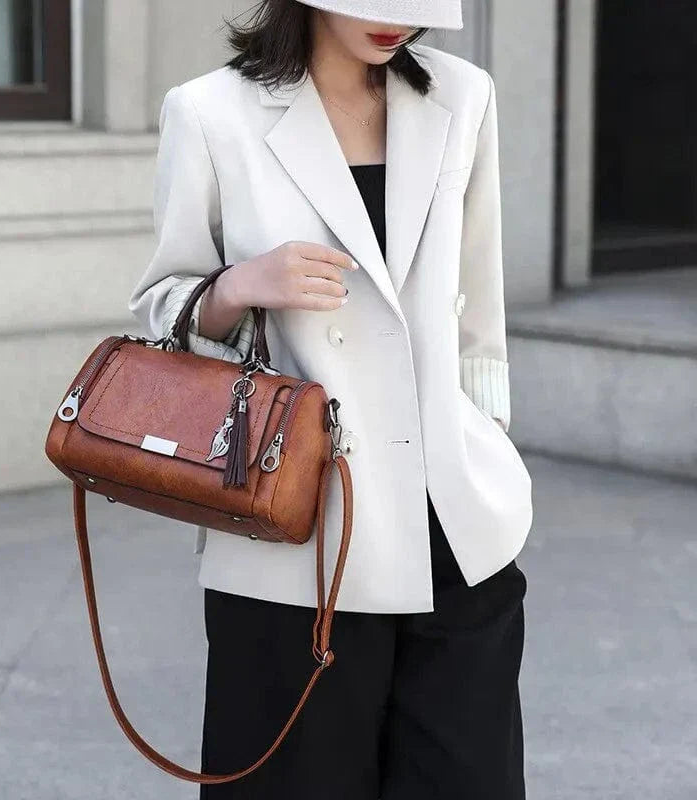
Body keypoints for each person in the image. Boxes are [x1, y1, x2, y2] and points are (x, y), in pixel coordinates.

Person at [128, 1, 534, 797]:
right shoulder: (210, 112)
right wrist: (242, 284)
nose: (398, 21)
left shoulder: (462, 95)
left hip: (456, 530)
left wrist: (489, 440)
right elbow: (161, 305)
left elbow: (478, 303)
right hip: (299, 530)